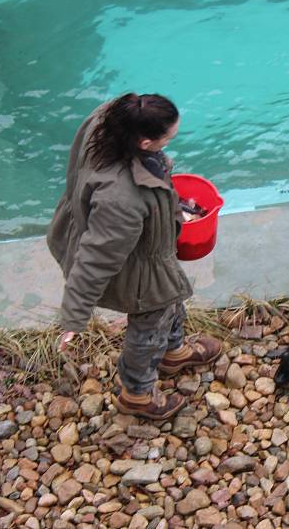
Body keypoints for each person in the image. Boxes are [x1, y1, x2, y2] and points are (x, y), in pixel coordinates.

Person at [47, 93, 221, 420]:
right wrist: (74, 317)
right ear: (144, 142)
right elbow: (96, 259)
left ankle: (174, 351)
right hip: (134, 270)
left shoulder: (107, 120)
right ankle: (137, 394)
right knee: (150, 322)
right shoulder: (122, 198)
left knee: (171, 298)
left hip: (145, 252)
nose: (171, 141)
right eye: (168, 137)